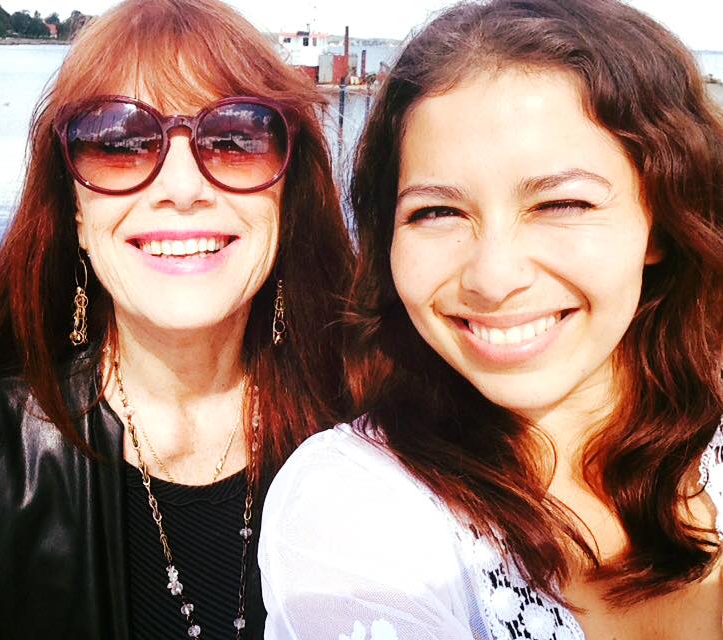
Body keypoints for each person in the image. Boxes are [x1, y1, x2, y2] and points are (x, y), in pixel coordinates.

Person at [0, 0, 353, 638]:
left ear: (288, 196)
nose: (182, 187)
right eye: (120, 143)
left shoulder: (374, 430)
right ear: (75, 210)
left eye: (235, 139)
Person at [259, 0, 723, 638]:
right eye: (437, 213)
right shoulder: (355, 513)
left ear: (661, 220)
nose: (494, 278)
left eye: (561, 204)